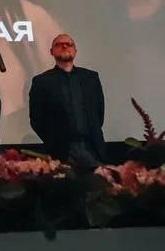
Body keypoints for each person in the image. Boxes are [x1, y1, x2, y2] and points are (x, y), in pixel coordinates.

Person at [29, 33, 107, 167]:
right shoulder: (42, 82)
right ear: (51, 51)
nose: (64, 46)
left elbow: (99, 113)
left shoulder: (91, 78)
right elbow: (36, 119)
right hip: (61, 152)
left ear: (75, 50)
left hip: (92, 148)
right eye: (59, 45)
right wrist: (53, 141)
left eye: (69, 44)